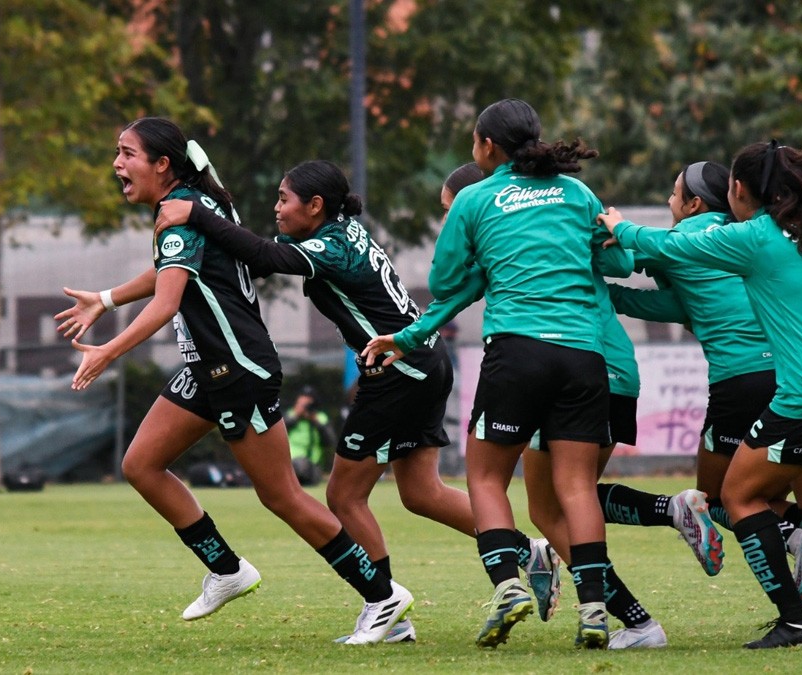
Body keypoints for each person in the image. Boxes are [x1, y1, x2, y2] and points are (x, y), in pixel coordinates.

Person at [154, 158, 561, 644]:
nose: (277, 208)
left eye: (284, 199)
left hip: (399, 370)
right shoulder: (338, 232)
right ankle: (523, 550)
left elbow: (264, 258)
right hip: (424, 361)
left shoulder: (331, 246)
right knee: (421, 493)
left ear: (316, 205)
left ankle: (384, 604)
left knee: (343, 496)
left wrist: (198, 214)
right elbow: (255, 256)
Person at [53, 117, 410, 644]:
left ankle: (382, 596)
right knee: (142, 465)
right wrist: (105, 300)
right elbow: (173, 271)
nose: (117, 164)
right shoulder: (194, 206)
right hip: (210, 370)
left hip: (238, 371)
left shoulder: (181, 216)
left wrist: (109, 349)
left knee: (284, 496)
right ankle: (227, 570)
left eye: (127, 153)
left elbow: (168, 300)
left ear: (162, 164)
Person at [601, 126, 802, 649]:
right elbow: (679, 307)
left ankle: (794, 568)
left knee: (722, 497)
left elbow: (624, 255)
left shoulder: (691, 240)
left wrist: (603, 249)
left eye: (673, 195)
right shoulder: (772, 233)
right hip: (794, 379)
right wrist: (617, 299)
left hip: (742, 385)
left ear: (696, 203)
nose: (668, 202)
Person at [365, 99, 617, 649]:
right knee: (576, 486)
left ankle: (508, 586)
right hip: (583, 354)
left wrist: (407, 337)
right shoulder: (578, 193)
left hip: (517, 354)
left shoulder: (476, 198)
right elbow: (614, 261)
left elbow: (447, 278)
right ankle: (595, 610)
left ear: (487, 147)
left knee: (485, 479)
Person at [285, 387, 333, 486]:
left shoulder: (320, 418)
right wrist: (297, 415)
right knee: (299, 465)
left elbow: (330, 441)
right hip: (292, 463)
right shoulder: (291, 414)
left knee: (306, 469)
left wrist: (315, 421)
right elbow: (281, 430)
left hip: (314, 465)